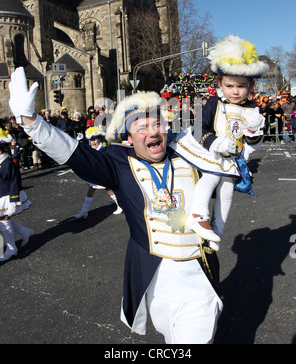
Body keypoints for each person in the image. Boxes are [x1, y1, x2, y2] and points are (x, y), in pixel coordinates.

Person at [9, 68, 229, 344]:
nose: (154, 132)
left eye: (158, 124)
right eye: (143, 128)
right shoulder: (118, 164)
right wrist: (31, 122)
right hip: (154, 280)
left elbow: (229, 142)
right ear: (128, 138)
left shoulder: (188, 153)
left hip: (199, 277)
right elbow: (74, 153)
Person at [170, 35, 269, 250]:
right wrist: (215, 143)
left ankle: (217, 230)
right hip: (210, 151)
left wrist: (253, 129)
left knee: (227, 188)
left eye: (241, 86)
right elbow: (199, 128)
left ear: (250, 85)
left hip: (231, 158)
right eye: (230, 85)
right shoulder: (214, 103)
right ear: (220, 84)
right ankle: (199, 214)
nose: (235, 91)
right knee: (213, 175)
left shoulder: (252, 108)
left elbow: (253, 141)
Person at [0, 128, 34, 262]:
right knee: (2, 220)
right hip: (1, 194)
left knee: (4, 220)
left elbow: (15, 182)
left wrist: (14, 201)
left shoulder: (8, 163)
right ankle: (25, 231)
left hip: (9, 196)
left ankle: (12, 249)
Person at [74, 126, 122, 219]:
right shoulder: (91, 147)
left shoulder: (103, 149)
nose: (93, 142)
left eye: (95, 140)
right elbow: (83, 149)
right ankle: (84, 211)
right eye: (91, 140)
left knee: (109, 190)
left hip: (103, 173)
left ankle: (120, 205)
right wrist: (79, 141)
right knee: (91, 191)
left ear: (99, 139)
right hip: (94, 174)